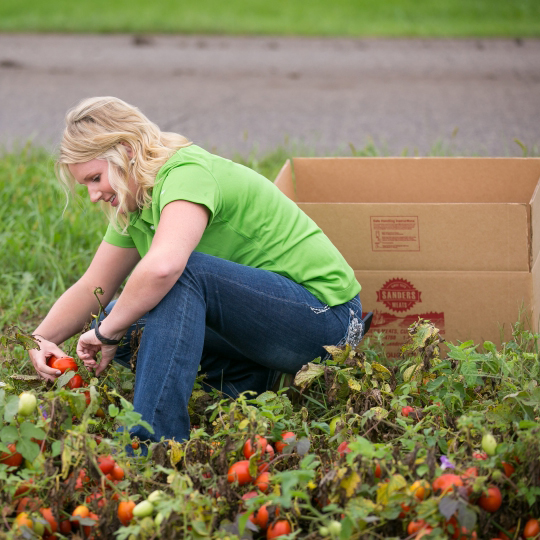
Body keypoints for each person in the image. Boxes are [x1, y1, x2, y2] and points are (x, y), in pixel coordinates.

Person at [28, 96, 365, 445]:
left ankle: (151, 444)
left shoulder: (186, 173)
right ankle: (243, 382)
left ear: (127, 150)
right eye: (85, 185)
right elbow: (92, 287)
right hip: (266, 329)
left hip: (330, 323)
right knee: (117, 314)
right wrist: (37, 339)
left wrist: (107, 333)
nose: (94, 194)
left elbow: (166, 268)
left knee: (174, 279)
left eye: (95, 178)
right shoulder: (136, 200)